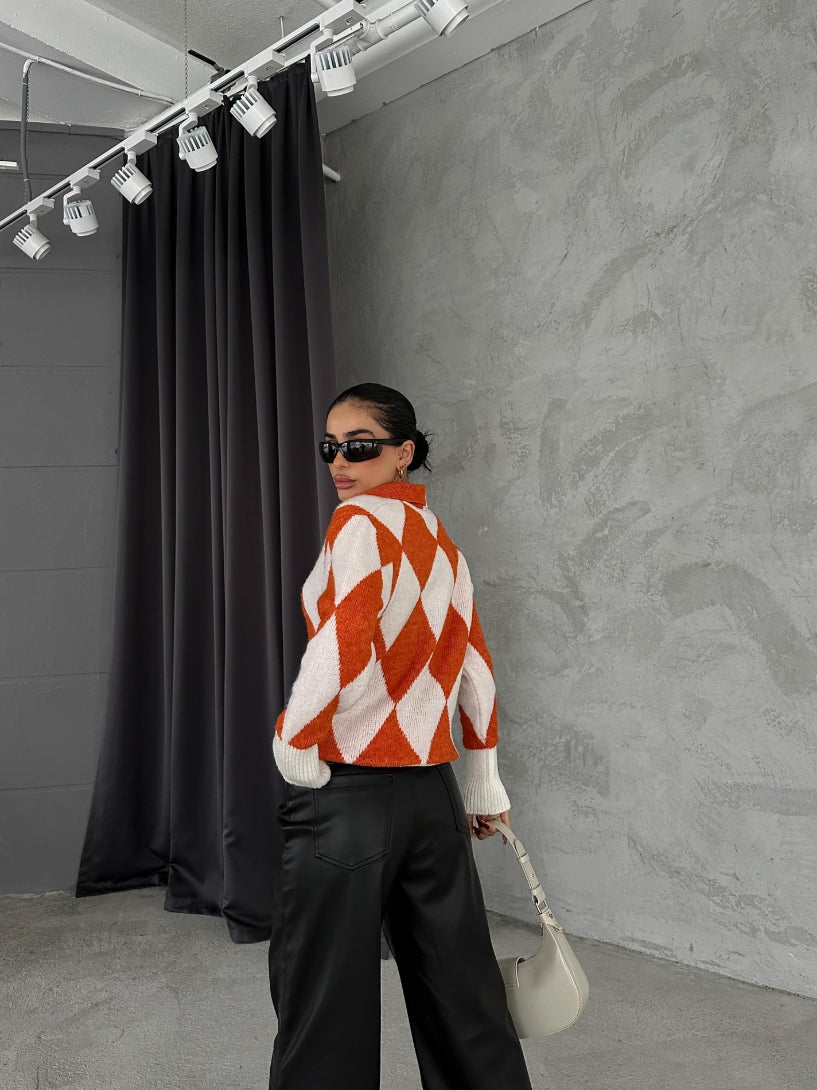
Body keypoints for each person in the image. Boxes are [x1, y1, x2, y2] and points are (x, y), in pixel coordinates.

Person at [268, 382, 532, 1090]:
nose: (340, 461)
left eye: (360, 446)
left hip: (349, 791)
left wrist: (295, 736)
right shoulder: (441, 541)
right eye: (330, 447)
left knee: (323, 1000)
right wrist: (483, 783)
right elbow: (474, 664)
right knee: (462, 992)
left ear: (403, 452)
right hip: (432, 796)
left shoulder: (358, 523)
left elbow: (345, 635)